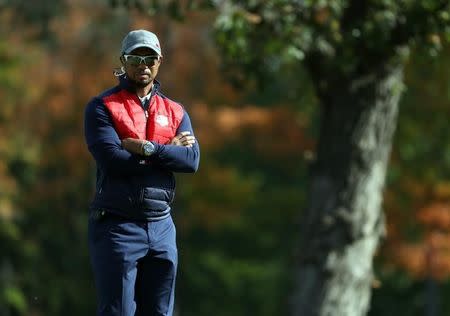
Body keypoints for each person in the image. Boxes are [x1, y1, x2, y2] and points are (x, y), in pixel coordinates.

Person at [84, 29, 200, 316]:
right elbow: (114, 160)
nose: (143, 64)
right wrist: (167, 151)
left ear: (159, 60)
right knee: (119, 311)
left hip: (162, 225)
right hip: (118, 226)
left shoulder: (175, 111)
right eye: (135, 57)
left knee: (160, 312)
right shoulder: (102, 107)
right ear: (123, 61)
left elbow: (191, 160)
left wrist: (148, 149)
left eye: (149, 57)